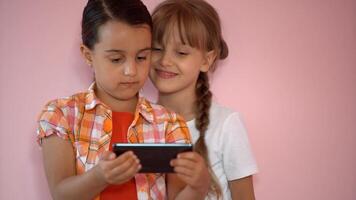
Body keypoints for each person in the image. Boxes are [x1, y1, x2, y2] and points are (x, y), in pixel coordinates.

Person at [36, 0, 210, 199]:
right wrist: (99, 177)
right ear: (88, 55)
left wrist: (198, 187)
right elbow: (60, 194)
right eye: (116, 59)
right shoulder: (61, 114)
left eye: (142, 57)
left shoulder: (170, 123)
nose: (131, 71)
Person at [150, 0, 258, 199]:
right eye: (156, 49)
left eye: (181, 53)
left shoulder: (227, 125)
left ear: (206, 60)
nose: (165, 61)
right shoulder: (138, 123)